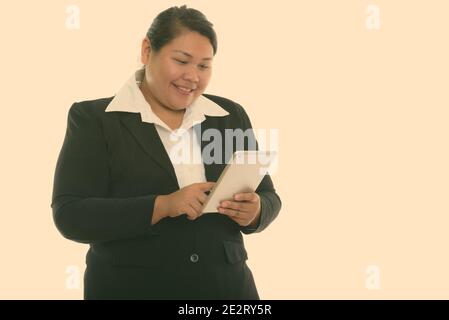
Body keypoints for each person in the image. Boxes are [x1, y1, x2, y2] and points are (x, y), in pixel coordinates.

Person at [51, 5, 281, 300]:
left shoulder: (228, 115)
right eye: (182, 61)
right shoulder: (95, 119)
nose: (192, 77)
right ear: (147, 50)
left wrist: (256, 210)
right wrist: (163, 205)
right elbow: (71, 214)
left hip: (228, 290)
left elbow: (269, 196)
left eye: (203, 65)